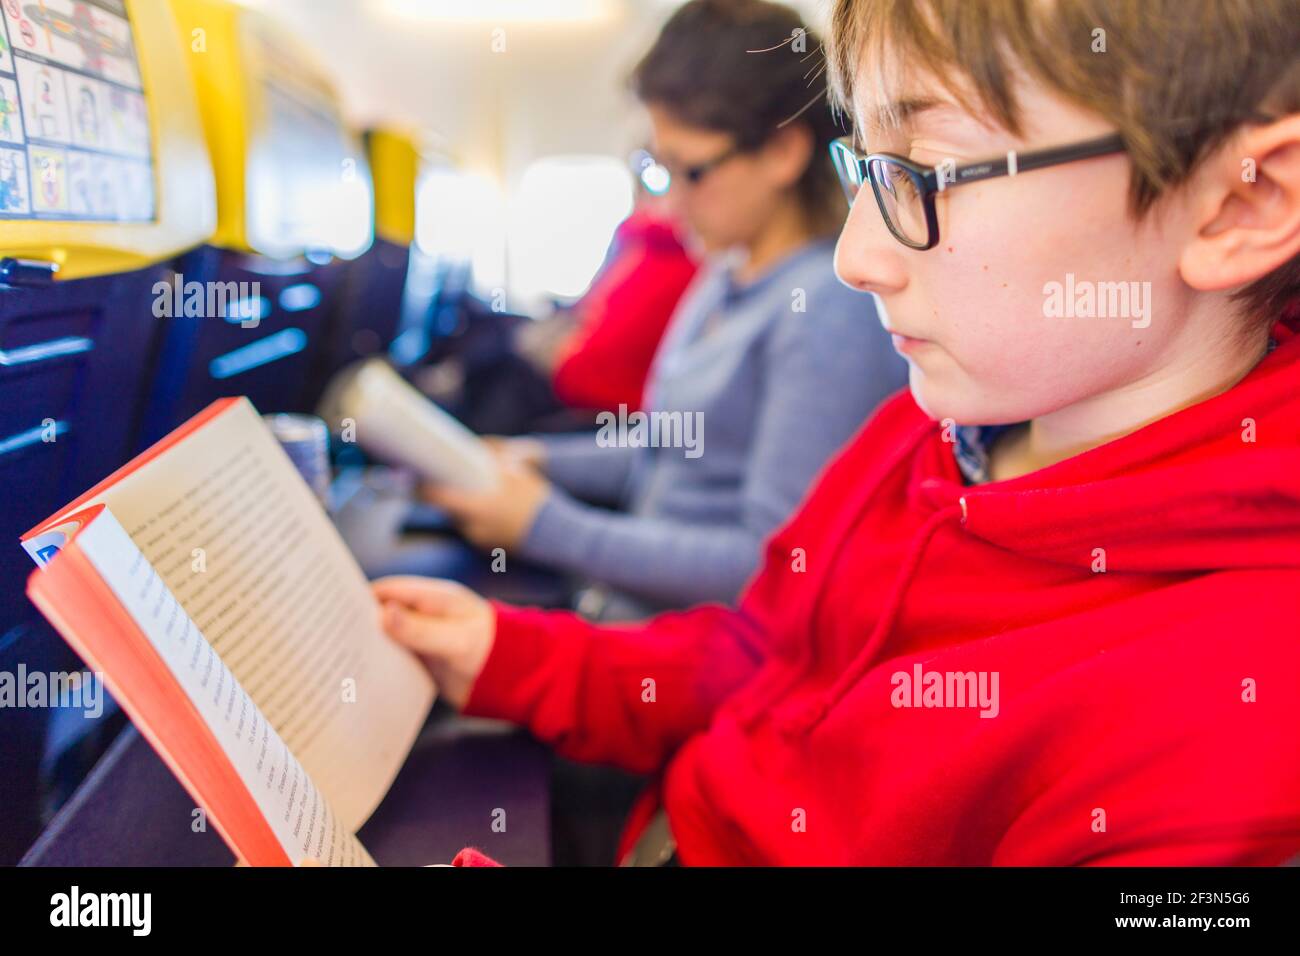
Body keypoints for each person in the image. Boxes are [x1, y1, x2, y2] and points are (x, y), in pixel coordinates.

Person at [376, 0, 1300, 866]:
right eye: (867, 167)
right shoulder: (923, 427)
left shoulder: (1235, 728)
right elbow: (761, 657)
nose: (858, 258)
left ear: (1240, 205)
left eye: (927, 173)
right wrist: (519, 657)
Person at [425, 0, 906, 622]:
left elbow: (769, 566)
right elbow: (671, 451)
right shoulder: (726, 272)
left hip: (694, 655)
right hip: (620, 610)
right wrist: (538, 458)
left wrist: (542, 525)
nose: (670, 204)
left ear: (783, 151)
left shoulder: (825, 309)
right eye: (661, 169)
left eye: (691, 171)